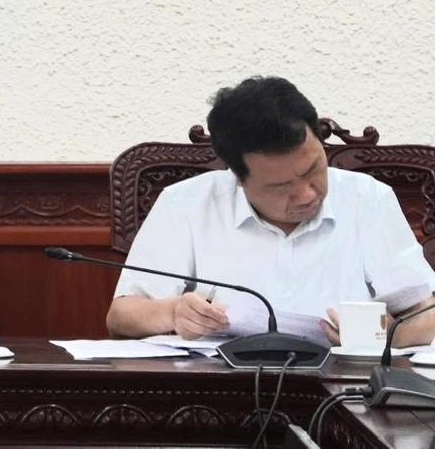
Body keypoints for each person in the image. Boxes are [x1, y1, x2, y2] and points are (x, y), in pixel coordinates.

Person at [107, 76, 435, 347]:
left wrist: (383, 336)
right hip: (221, 390)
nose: (307, 194)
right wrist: (173, 312)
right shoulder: (186, 204)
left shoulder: (368, 200)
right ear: (238, 178)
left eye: (312, 169)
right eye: (281, 186)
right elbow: (120, 317)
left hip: (345, 390)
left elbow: (427, 314)